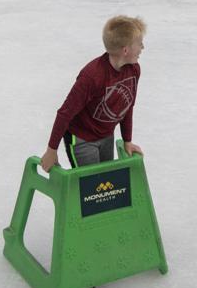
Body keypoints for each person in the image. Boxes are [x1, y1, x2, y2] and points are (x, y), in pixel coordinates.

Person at [40, 16, 146, 172]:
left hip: (106, 135)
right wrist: (51, 150)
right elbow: (65, 113)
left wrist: (127, 141)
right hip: (82, 139)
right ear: (125, 50)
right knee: (91, 188)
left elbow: (128, 107)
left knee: (104, 186)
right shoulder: (92, 76)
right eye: (139, 44)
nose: (142, 47)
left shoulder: (133, 70)